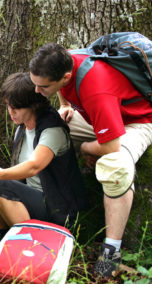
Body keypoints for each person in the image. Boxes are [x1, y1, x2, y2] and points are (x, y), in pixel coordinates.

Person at [29, 42, 152, 277]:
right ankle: (52, 210)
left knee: (116, 166)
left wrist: (86, 147)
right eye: (35, 83)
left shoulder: (96, 87)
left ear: (65, 77)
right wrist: (65, 106)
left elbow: (111, 146)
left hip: (136, 122)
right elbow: (66, 93)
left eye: (43, 86)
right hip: (99, 119)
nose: (37, 91)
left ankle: (111, 254)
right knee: (47, 127)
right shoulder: (67, 60)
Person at [0, 72, 87, 244]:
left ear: (34, 105)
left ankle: (30, 245)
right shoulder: (23, 126)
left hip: (58, 204)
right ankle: (1, 237)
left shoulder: (52, 129)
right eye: (8, 106)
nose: (11, 112)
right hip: (34, 197)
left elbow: (34, 166)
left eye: (16, 108)